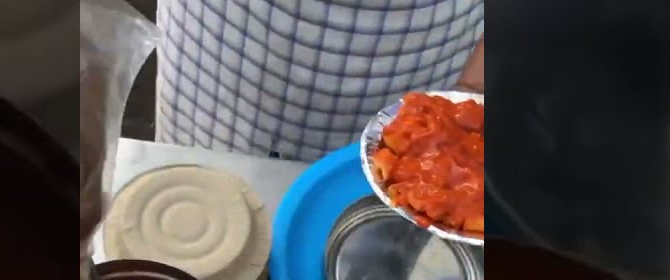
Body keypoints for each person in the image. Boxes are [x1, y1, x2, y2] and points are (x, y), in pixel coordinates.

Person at [155, 0, 484, 161]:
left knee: (373, 234)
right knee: (183, 208)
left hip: (420, 47)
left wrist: (475, 88)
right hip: (222, 35)